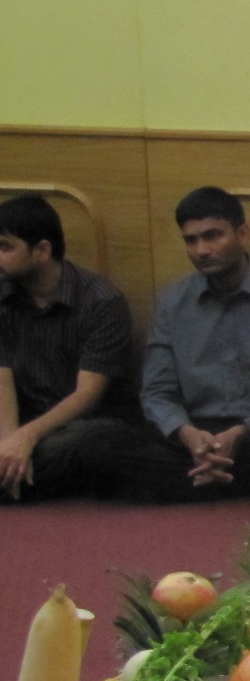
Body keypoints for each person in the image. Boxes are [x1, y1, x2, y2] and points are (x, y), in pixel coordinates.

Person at [122, 187, 250, 502]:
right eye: (191, 240)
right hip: (194, 431)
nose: (202, 250)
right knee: (102, 441)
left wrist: (241, 433)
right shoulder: (173, 301)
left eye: (212, 236)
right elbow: (156, 390)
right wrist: (187, 434)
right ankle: (229, 476)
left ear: (242, 234)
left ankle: (201, 479)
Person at [0, 194, 136, 501]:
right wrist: (9, 443)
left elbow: (88, 395)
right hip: (24, 414)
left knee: (86, 444)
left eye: (5, 247)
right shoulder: (3, 292)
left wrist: (27, 436)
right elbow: (1, 378)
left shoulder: (101, 301)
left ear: (42, 251)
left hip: (83, 421)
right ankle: (14, 476)